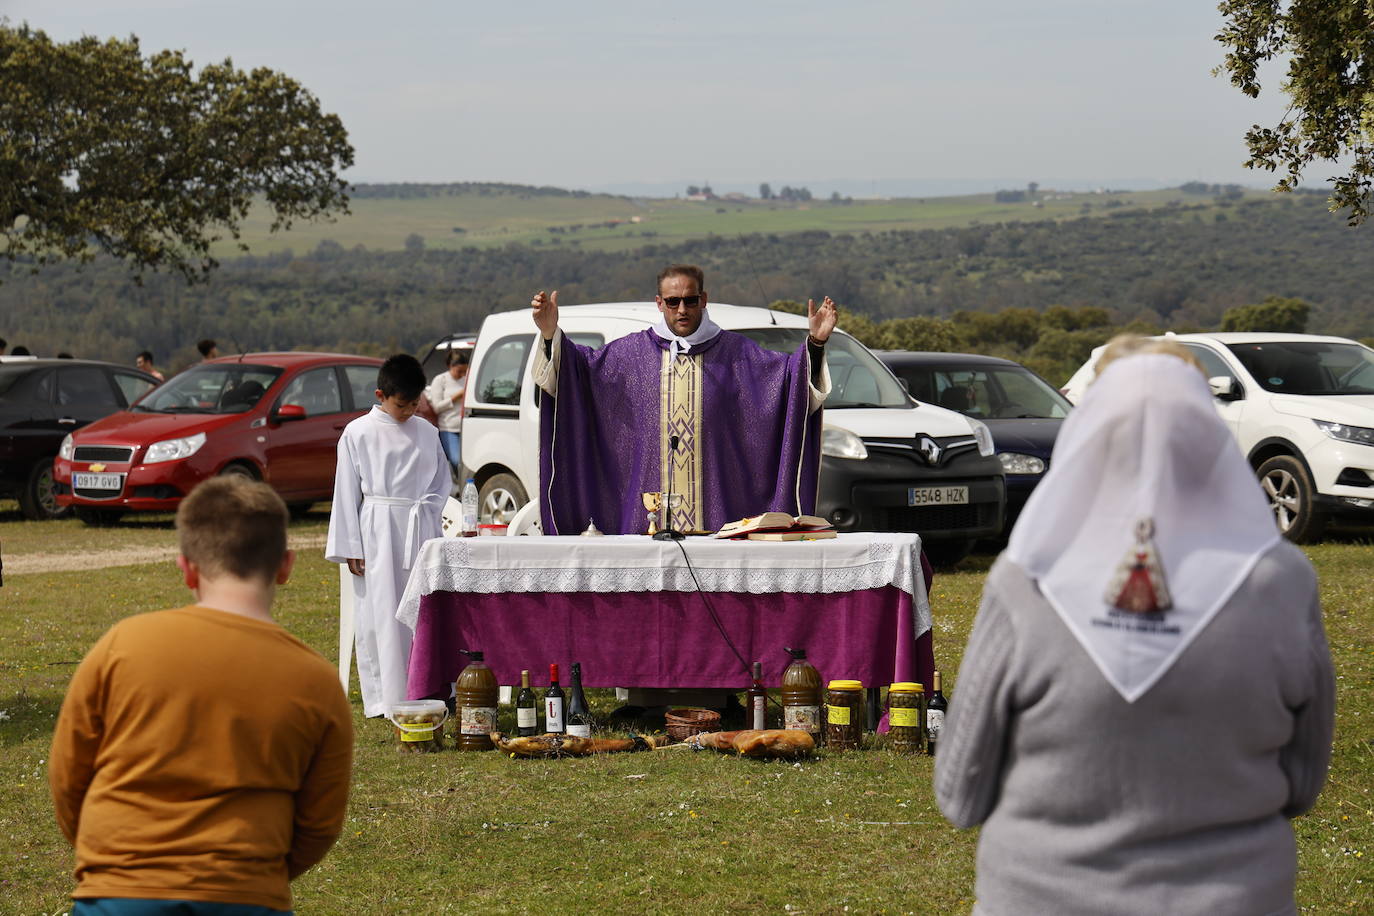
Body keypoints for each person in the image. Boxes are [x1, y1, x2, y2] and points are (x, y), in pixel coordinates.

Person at [934, 352, 1334, 916]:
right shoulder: (1284, 583)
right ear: (1211, 442)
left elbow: (959, 794)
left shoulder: (1027, 582)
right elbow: (1302, 784)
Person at [49, 476, 354, 914]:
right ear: (285, 566)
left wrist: (113, 860)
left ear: (187, 567)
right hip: (247, 894)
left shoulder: (122, 645)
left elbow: (68, 776)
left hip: (121, 890)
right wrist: (254, 873)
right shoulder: (318, 680)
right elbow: (319, 822)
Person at [530, 264, 837, 534]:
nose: (682, 310)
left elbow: (787, 383)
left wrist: (816, 342)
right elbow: (579, 374)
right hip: (644, 524)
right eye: (673, 302)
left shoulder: (737, 355)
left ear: (703, 300)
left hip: (719, 518)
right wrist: (549, 334)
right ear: (659, 303)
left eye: (690, 300)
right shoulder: (629, 355)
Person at [327, 353, 450, 717]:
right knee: (379, 610)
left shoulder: (427, 432)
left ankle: (423, 685)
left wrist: (428, 514)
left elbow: (442, 481)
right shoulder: (358, 432)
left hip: (418, 527)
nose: (409, 411)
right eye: (402, 404)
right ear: (381, 394)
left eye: (415, 403)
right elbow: (346, 490)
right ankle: (385, 694)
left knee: (421, 607)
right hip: (377, 528)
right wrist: (351, 545)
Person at [427, 348, 469, 478]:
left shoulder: (466, 379)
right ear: (450, 366)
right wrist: (456, 397)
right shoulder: (440, 380)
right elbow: (437, 407)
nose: (462, 374)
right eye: (459, 371)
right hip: (449, 429)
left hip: (466, 428)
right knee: (457, 461)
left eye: (465, 371)